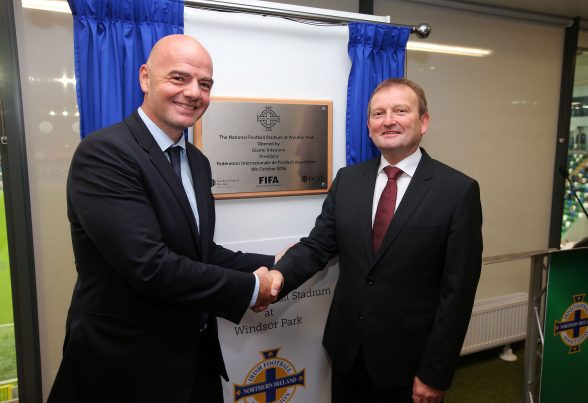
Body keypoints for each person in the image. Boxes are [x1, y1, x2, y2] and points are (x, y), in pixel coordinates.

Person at [47, 34, 283, 403]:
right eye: (179, 78)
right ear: (145, 78)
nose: (193, 92)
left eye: (204, 84)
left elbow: (197, 252)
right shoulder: (105, 153)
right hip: (123, 371)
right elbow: (150, 266)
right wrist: (252, 288)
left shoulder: (197, 162)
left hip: (193, 364)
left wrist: (277, 263)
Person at [270, 78, 483, 403]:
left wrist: (435, 372)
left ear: (423, 121)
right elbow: (317, 246)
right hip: (347, 355)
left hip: (410, 364)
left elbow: (457, 294)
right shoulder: (348, 180)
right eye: (378, 113)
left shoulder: (457, 192)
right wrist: (275, 278)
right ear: (369, 126)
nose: (388, 120)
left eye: (400, 110)